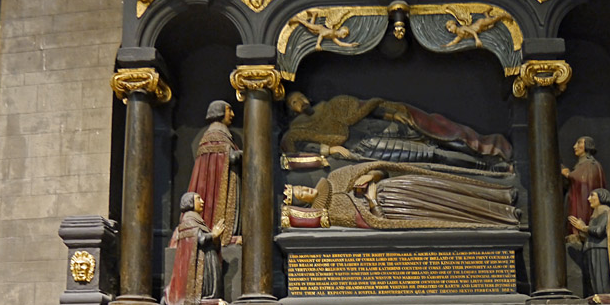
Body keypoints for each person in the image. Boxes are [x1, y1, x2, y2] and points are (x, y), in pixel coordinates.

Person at [281, 92, 513, 172]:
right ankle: (488, 168)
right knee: (430, 153)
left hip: (372, 126)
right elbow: (296, 148)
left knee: (430, 134)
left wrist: (392, 113)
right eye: (293, 102)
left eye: (300, 96)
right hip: (364, 144)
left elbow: (361, 108)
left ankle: (481, 152)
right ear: (291, 111)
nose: (299, 101)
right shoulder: (297, 130)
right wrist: (330, 148)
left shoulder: (331, 104)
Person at [284, 161, 520, 230]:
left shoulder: (335, 176)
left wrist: (370, 177)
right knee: (452, 209)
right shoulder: (332, 212)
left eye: (301, 188)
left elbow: (378, 169)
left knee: (448, 188)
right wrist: (371, 199)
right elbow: (374, 222)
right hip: (403, 210)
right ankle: (504, 216)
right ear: (304, 203)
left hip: (401, 185)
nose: (305, 191)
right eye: (301, 196)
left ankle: (502, 196)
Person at [185, 100, 241, 241]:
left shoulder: (220, 133)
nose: (232, 114)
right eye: (229, 110)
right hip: (215, 182)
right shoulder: (216, 134)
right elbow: (228, 158)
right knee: (214, 204)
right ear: (220, 111)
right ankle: (222, 236)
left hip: (219, 177)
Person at [162, 192, 226, 305]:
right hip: (200, 263)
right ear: (190, 202)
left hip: (208, 259)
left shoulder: (198, 221)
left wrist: (215, 238)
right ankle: (208, 303)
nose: (202, 201)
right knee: (204, 289)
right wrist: (213, 234)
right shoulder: (189, 220)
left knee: (210, 289)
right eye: (198, 199)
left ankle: (210, 301)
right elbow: (200, 239)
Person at [562, 136, 606, 242]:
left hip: (584, 199)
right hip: (576, 197)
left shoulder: (591, 164)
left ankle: (581, 232)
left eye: (579, 143)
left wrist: (568, 174)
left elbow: (581, 178)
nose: (575, 146)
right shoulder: (582, 164)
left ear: (587, 145)